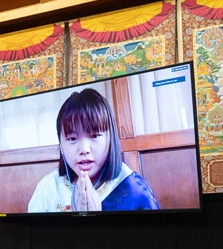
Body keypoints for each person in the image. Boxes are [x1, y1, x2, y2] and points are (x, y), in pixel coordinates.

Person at [28, 88, 159, 213]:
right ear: (60, 144)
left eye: (95, 136)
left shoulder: (134, 189)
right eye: (72, 138)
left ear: (110, 138)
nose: (84, 150)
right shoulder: (48, 189)